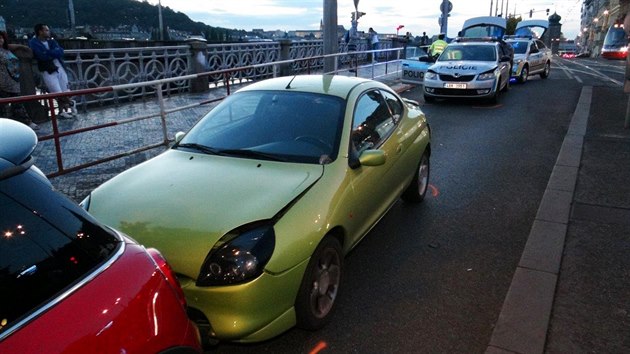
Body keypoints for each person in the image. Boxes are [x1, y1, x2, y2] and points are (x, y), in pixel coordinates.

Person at [28, 23, 76, 119]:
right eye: (46, 30)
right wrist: (53, 53)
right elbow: (41, 56)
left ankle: (63, 111)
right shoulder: (33, 42)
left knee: (65, 90)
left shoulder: (51, 41)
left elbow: (60, 52)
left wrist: (48, 52)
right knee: (56, 91)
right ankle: (71, 104)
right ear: (40, 32)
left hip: (59, 68)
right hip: (47, 70)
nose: (48, 32)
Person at [0, 31, 39, 130]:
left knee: (18, 104)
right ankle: (8, 127)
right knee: (4, 107)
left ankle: (26, 122)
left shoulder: (6, 49)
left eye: (1, 38)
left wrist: (22, 47)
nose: (0, 40)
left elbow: (12, 47)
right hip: (2, 83)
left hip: (13, 81)